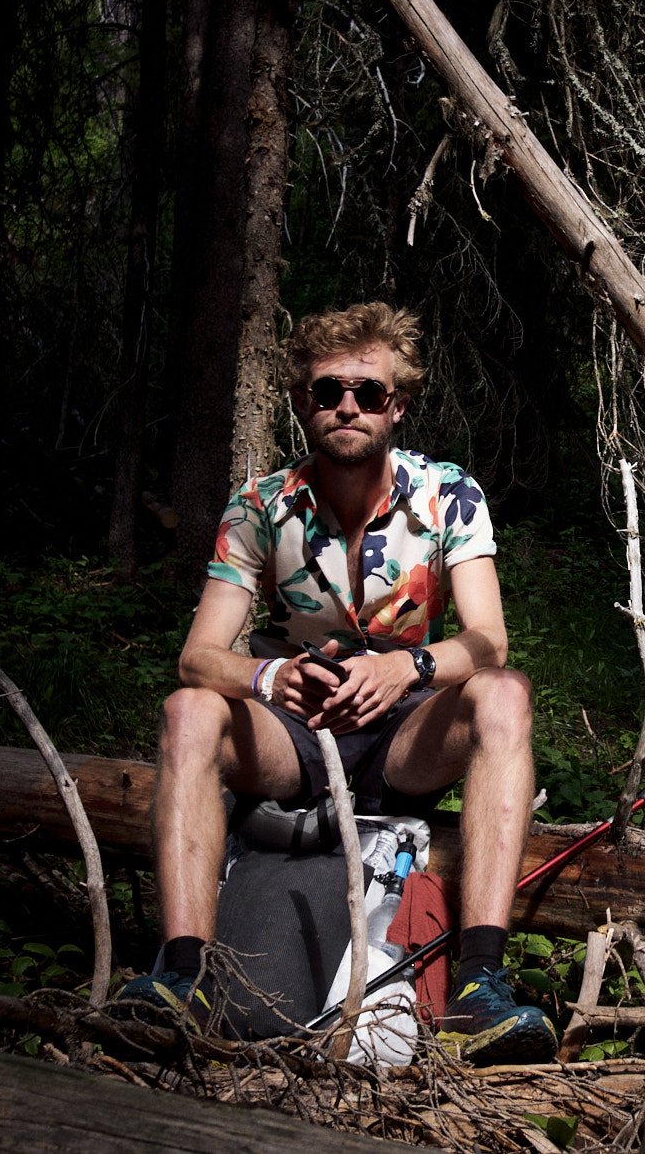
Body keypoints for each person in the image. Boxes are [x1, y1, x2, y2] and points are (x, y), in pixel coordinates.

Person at [120, 302, 552, 1064]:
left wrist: (407, 665)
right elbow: (197, 656)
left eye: (367, 391)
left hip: (402, 735)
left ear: (398, 404)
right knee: (189, 709)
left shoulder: (448, 493)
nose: (347, 405)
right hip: (294, 735)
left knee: (506, 694)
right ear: (301, 403)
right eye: (327, 391)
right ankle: (181, 979)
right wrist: (269, 673)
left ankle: (481, 985)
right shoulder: (260, 504)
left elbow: (489, 640)